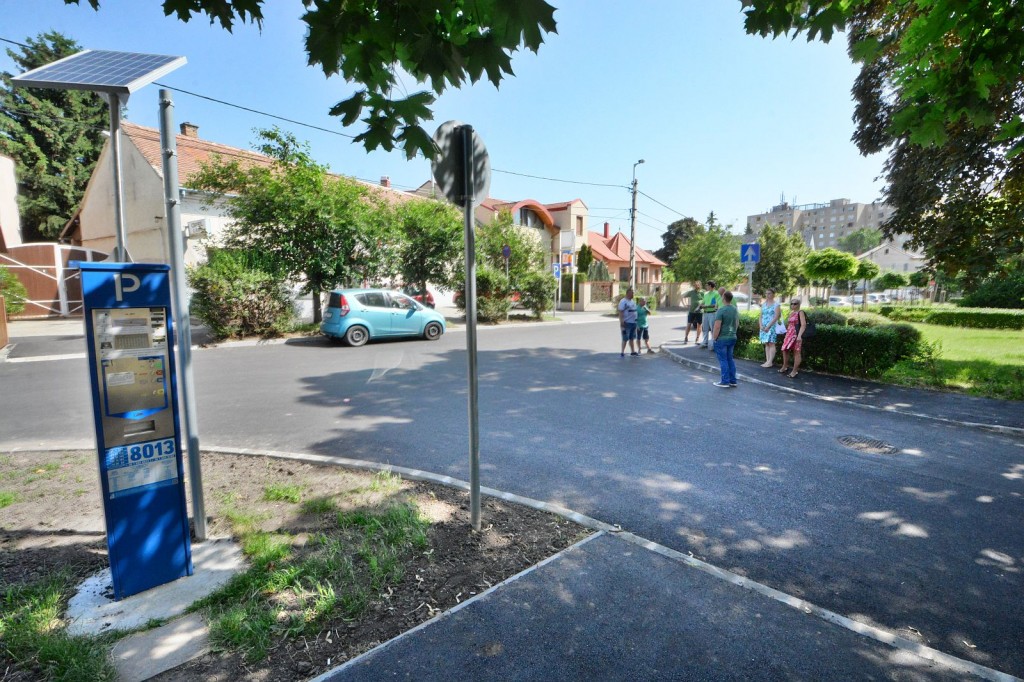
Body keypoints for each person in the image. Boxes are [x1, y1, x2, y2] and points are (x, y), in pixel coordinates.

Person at [711, 290, 739, 387]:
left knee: (723, 360)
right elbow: (736, 322)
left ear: (723, 298)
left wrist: (714, 338)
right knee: (730, 359)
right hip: (732, 336)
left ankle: (725, 381)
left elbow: (717, 326)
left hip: (722, 338)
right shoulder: (734, 309)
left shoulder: (721, 310)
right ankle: (733, 380)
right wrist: (734, 332)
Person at [779, 298, 807, 378]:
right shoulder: (791, 313)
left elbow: (803, 325)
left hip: (796, 334)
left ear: (799, 304)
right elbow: (789, 324)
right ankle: (785, 366)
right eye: (791, 304)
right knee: (784, 349)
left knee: (796, 352)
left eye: (795, 304)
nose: (793, 305)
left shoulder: (800, 312)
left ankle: (794, 371)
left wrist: (799, 336)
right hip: (789, 334)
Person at [757, 289, 782, 367]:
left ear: (773, 294)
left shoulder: (776, 305)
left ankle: (770, 362)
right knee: (766, 343)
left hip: (772, 326)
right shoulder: (764, 304)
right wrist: (761, 325)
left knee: (771, 343)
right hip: (763, 326)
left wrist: (768, 326)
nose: (767, 295)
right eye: (766, 293)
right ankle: (767, 361)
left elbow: (776, 317)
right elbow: (760, 316)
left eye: (769, 293)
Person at [617, 287, 639, 357]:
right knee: (625, 338)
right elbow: (620, 312)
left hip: (633, 323)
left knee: (632, 338)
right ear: (628, 293)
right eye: (632, 293)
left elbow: (634, 311)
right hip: (627, 323)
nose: (633, 295)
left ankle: (633, 351)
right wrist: (621, 322)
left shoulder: (632, 301)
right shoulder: (623, 301)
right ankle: (622, 352)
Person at [699, 280, 718, 349]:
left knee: (713, 329)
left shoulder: (716, 294)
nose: (706, 286)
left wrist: (705, 306)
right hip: (705, 313)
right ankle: (705, 343)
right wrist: (700, 305)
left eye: (707, 285)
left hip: (712, 313)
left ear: (710, 286)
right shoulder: (706, 293)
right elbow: (703, 302)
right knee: (705, 329)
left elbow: (714, 305)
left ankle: (713, 344)